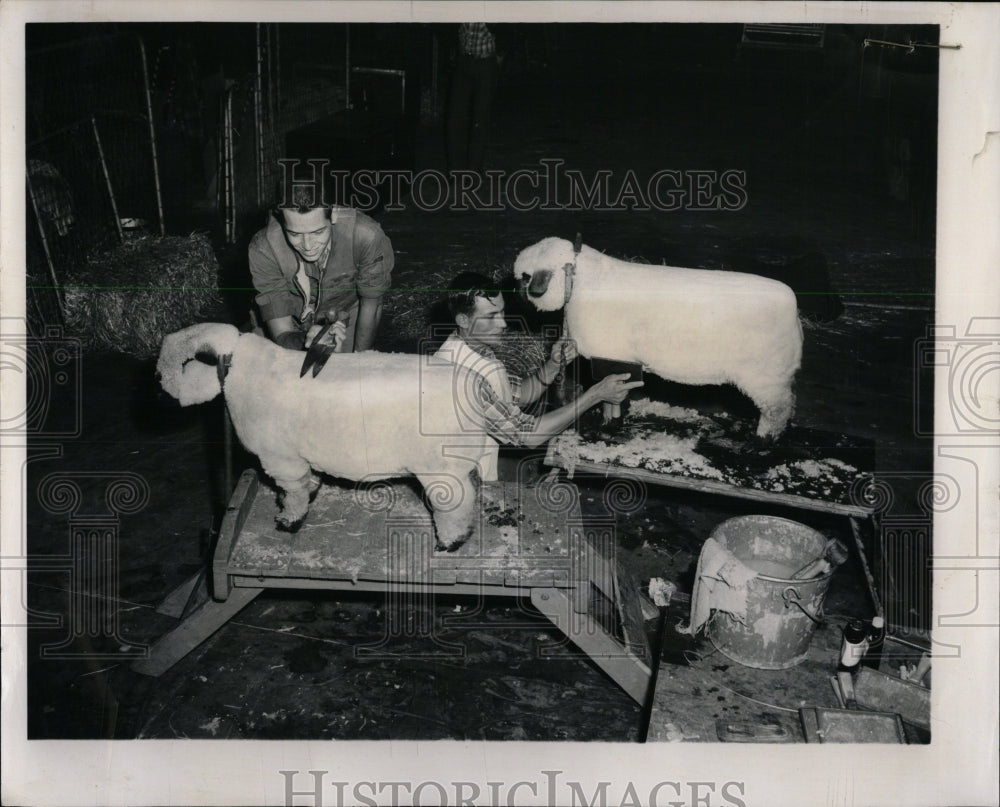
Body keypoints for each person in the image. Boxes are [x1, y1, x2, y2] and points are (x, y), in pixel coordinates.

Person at [434, 272, 643, 481]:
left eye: (502, 312)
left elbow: (519, 394)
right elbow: (529, 436)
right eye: (491, 316)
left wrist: (552, 365)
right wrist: (595, 395)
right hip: (458, 481)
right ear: (463, 320)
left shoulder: (475, 348)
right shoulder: (459, 373)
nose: (503, 323)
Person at [248, 186, 394, 352]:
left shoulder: (366, 236)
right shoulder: (263, 249)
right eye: (295, 234)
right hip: (290, 323)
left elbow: (372, 304)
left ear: (333, 215)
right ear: (281, 221)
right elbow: (282, 336)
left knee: (347, 368)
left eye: (318, 232)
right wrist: (309, 339)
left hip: (342, 316)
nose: (308, 246)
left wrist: (358, 360)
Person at [446, 23, 501, 173]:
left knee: (480, 119)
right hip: (463, 60)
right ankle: (454, 170)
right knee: (454, 118)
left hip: (485, 62)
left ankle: (473, 171)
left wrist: (500, 57)